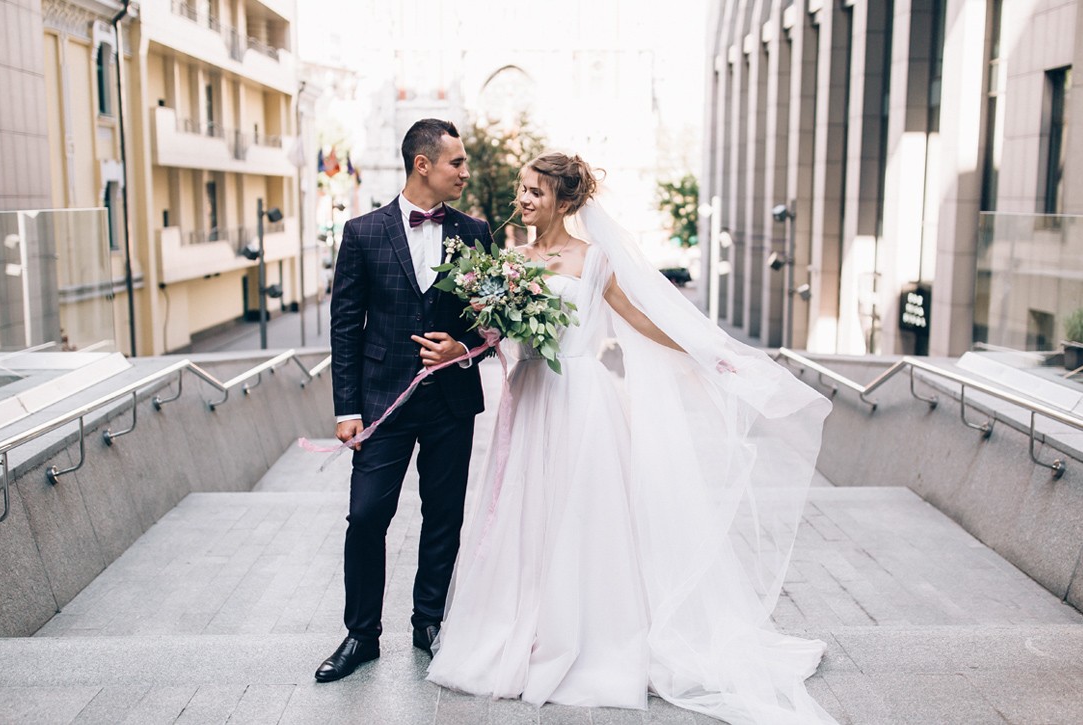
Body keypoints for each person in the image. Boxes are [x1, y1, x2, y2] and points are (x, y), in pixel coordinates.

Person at [426, 153, 838, 723]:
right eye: (521, 190)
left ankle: (593, 635)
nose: (522, 200)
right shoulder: (509, 259)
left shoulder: (594, 260)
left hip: (583, 398)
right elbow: (493, 332)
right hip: (532, 394)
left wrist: (703, 351)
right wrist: (462, 347)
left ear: (564, 202)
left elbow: (638, 318)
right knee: (528, 511)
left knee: (585, 515)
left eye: (535, 193)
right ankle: (523, 628)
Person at [315, 119, 494, 683]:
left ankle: (430, 623)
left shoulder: (476, 232)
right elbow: (345, 328)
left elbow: (493, 327)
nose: (466, 172)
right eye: (456, 163)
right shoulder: (363, 232)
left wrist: (460, 349)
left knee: (444, 516)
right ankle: (360, 636)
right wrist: (347, 410)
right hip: (380, 406)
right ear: (424, 165)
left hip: (451, 404)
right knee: (366, 516)